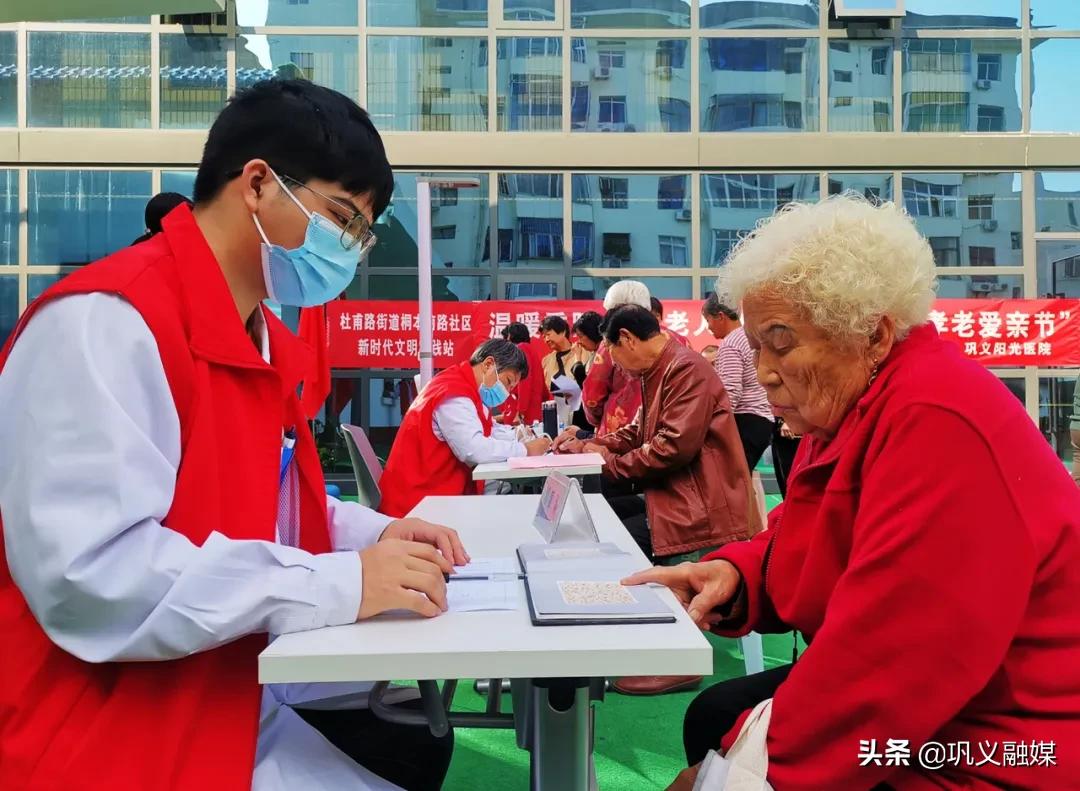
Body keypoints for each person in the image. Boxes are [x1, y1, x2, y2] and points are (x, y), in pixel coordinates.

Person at [0, 80, 470, 791]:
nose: (349, 250)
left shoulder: (259, 342)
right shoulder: (105, 323)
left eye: (360, 232)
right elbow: (93, 574)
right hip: (106, 727)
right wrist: (341, 580)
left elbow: (270, 501)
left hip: (216, 691)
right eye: (342, 218)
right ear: (257, 184)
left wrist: (372, 536)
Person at [624, 195, 1080, 790]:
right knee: (714, 716)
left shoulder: (937, 419)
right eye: (756, 346)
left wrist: (744, 772)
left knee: (720, 747)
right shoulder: (855, 407)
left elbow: (896, 664)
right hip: (948, 711)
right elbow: (809, 539)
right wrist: (736, 574)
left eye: (781, 344)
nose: (762, 372)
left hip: (1003, 738)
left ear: (873, 334)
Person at [560, 304, 760, 697]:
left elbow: (673, 448)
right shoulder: (662, 369)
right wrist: (594, 445)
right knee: (600, 520)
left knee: (610, 537)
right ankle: (635, 634)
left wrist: (609, 464)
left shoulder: (683, 369)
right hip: (677, 498)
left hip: (697, 510)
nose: (614, 362)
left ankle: (677, 654)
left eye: (613, 353)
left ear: (627, 340)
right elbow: (640, 431)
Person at [379, 339, 552, 518]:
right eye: (507, 382)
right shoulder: (453, 394)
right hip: (416, 504)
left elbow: (487, 429)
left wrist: (518, 436)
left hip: (434, 494)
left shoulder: (466, 388)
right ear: (488, 364)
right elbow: (474, 449)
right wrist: (525, 450)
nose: (507, 392)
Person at [702, 293, 776, 472]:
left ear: (721, 316)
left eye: (708, 320)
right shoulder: (751, 336)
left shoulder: (731, 343)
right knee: (741, 480)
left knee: (729, 481)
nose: (708, 327)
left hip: (746, 419)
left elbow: (730, 393)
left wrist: (712, 426)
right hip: (764, 418)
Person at [581, 280, 653, 437]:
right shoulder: (676, 340)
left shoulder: (612, 342)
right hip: (661, 431)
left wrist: (597, 420)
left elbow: (592, 395)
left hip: (619, 431)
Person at [539, 314, 593, 430]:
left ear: (563, 332)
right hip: (559, 410)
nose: (546, 339)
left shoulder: (583, 352)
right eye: (543, 337)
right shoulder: (546, 361)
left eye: (548, 334)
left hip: (583, 412)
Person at [499, 322, 549, 425]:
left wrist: (520, 411)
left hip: (526, 415)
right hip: (533, 411)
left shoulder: (521, 349)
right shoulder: (530, 350)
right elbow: (543, 389)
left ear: (510, 336)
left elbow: (524, 381)